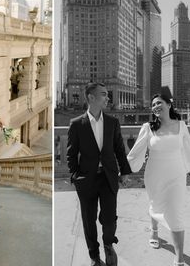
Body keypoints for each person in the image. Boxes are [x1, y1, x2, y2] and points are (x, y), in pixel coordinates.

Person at [126, 92, 190, 266]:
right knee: (155, 203)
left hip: (177, 175)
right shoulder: (148, 127)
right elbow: (135, 153)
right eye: (153, 105)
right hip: (154, 174)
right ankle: (154, 230)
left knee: (175, 213)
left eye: (159, 103)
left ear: (169, 105)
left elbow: (188, 152)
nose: (155, 107)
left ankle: (179, 259)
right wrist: (123, 172)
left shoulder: (182, 126)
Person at [66, 83, 132, 266]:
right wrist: (75, 176)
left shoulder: (112, 122)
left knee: (110, 217)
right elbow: (71, 154)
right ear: (91, 97)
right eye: (103, 94)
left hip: (108, 177)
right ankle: (94, 256)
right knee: (89, 220)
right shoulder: (77, 124)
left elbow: (119, 149)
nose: (107, 97)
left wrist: (125, 171)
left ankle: (109, 245)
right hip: (86, 179)